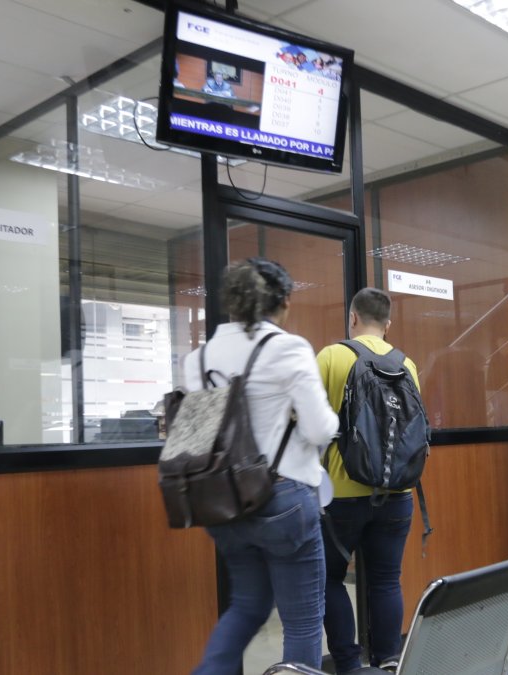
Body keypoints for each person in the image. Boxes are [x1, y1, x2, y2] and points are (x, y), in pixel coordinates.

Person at [185, 258, 339, 673]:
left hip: (224, 502)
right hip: (283, 498)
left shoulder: (198, 358)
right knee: (303, 620)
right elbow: (321, 428)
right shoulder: (287, 348)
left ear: (233, 303)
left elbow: (202, 435)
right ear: (284, 301)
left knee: (247, 607)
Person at [316, 288, 420, 674]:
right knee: (386, 580)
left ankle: (348, 665)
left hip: (341, 494)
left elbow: (308, 421)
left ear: (353, 317)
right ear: (388, 324)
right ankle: (388, 661)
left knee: (329, 580)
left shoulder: (332, 355)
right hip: (397, 492)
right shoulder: (407, 364)